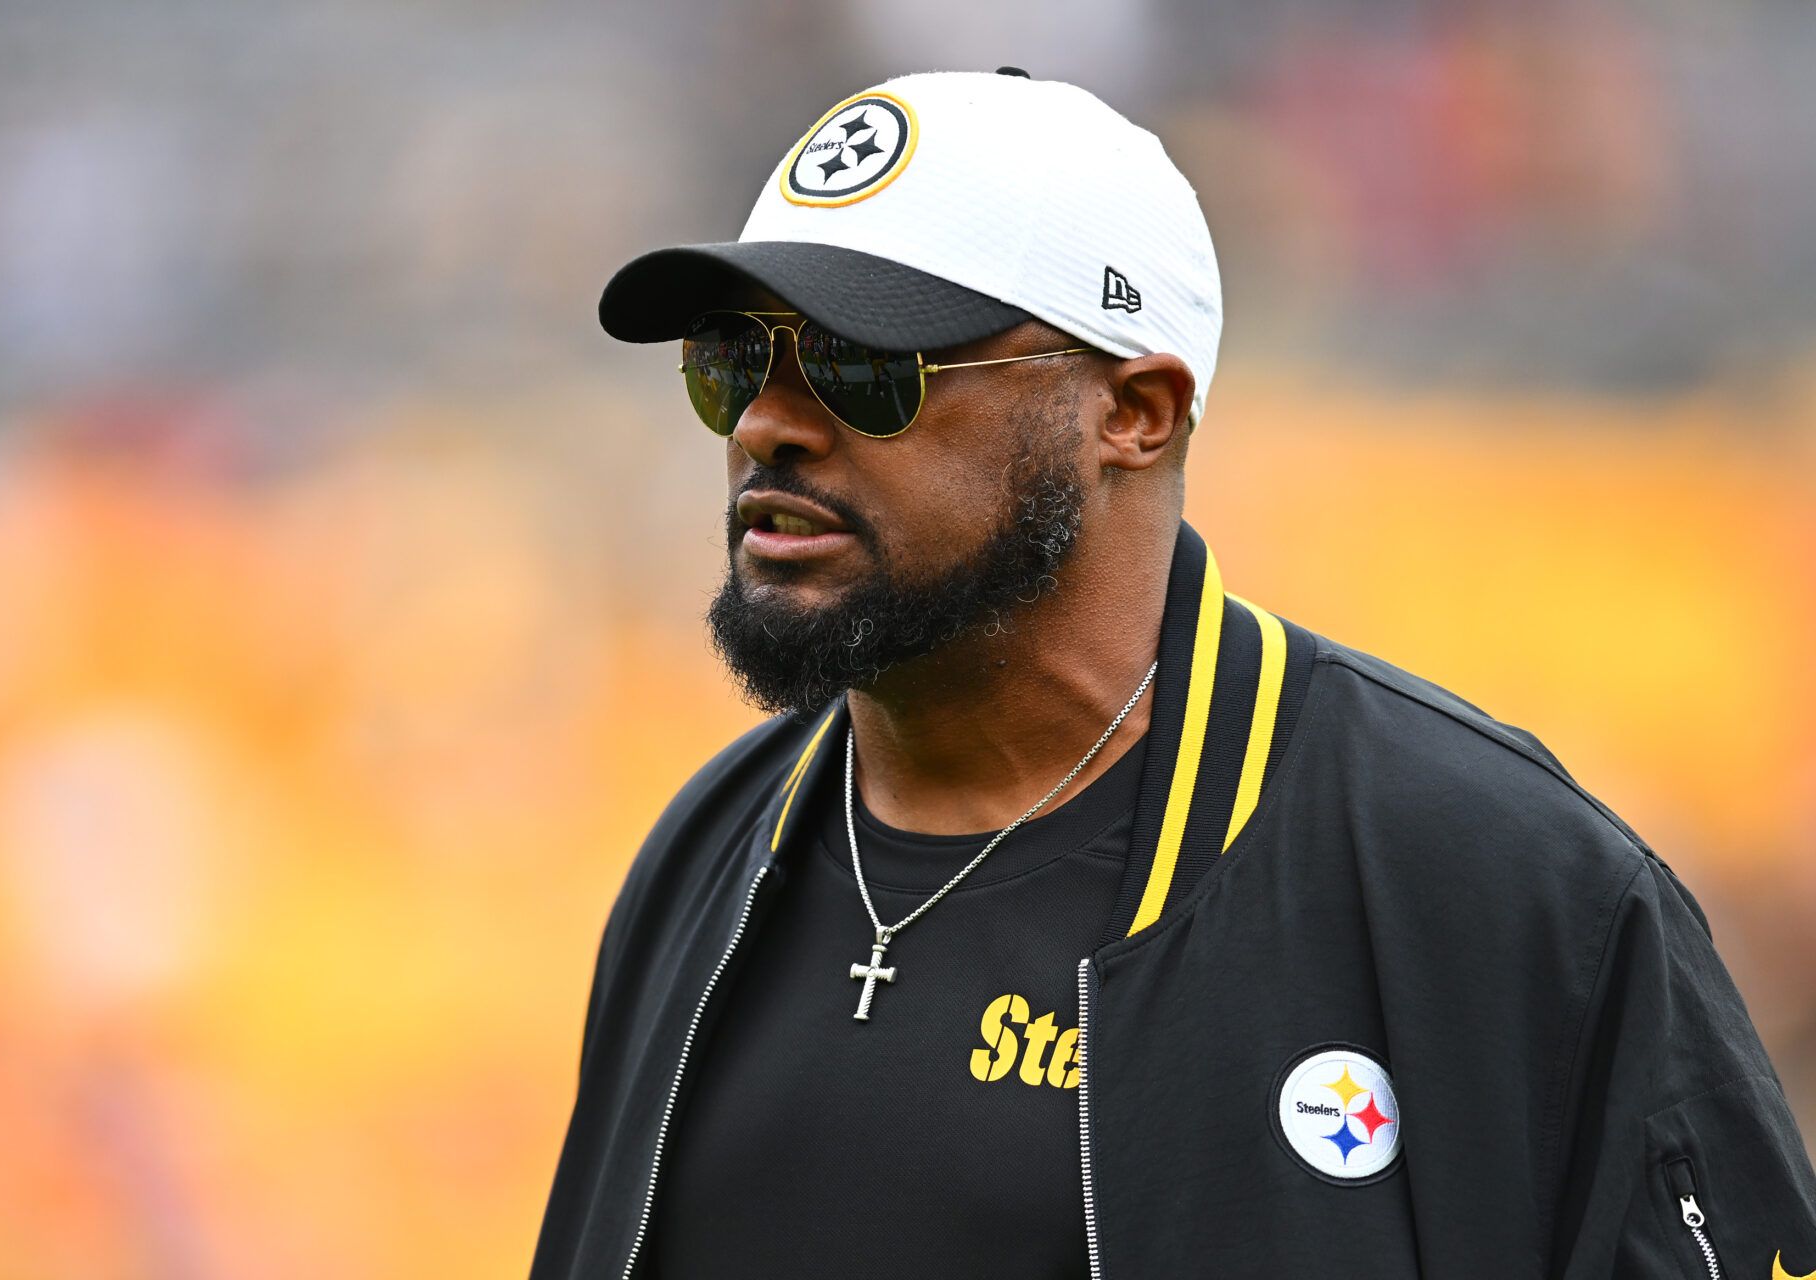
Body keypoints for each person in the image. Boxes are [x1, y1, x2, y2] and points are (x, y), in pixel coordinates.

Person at [528, 68, 1816, 1279]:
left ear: (1133, 411)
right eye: (734, 362)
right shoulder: (709, 852)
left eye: (870, 367)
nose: (767, 422)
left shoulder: (1499, 884)